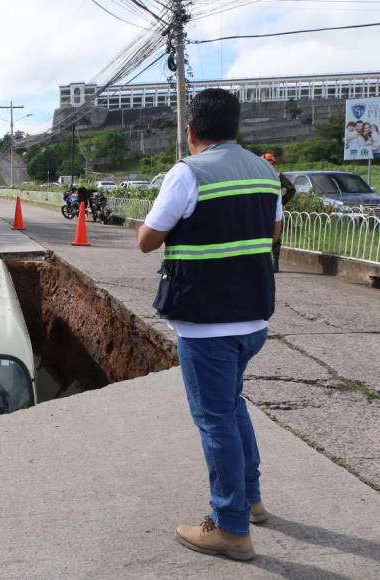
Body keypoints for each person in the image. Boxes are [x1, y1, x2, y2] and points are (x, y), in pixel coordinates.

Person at [137, 88, 283, 562]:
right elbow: (274, 230)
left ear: (192, 131)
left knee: (214, 419)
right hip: (253, 319)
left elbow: (146, 239)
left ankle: (229, 527)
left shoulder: (188, 172)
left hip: (206, 323)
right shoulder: (265, 170)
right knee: (232, 407)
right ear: (236, 127)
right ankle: (251, 499)